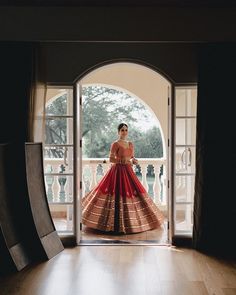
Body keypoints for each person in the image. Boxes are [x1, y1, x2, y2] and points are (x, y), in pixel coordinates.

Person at [82, 123, 164, 234]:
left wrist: (134, 160)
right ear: (118, 132)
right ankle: (113, 224)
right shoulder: (115, 144)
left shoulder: (130, 144)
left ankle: (132, 223)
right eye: (122, 130)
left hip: (128, 171)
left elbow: (131, 157)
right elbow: (111, 159)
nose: (124, 132)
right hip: (117, 172)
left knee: (134, 194)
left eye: (126, 130)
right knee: (116, 194)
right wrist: (122, 161)